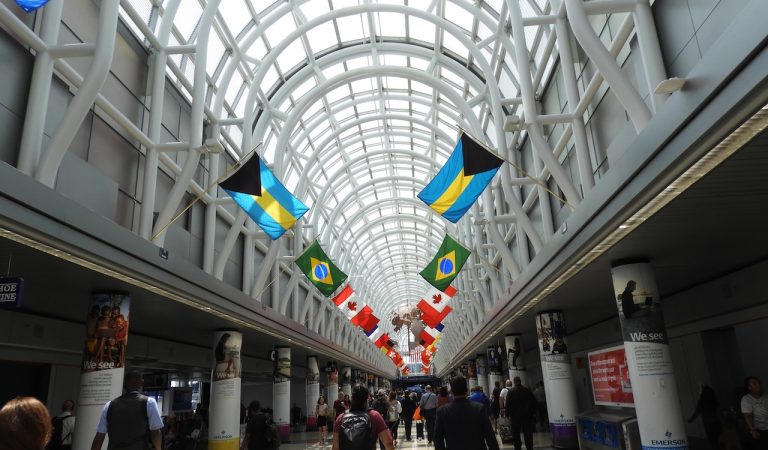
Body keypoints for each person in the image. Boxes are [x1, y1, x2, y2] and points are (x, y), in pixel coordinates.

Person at [90, 370, 164, 450]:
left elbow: (99, 436)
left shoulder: (110, 405)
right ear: (141, 383)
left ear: (124, 384)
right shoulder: (149, 402)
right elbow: (155, 432)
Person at [434, 376, 499, 450]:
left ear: (451, 392)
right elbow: (490, 436)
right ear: (467, 391)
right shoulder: (479, 408)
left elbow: (438, 439)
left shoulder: (442, 411)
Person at [332, 384, 394, 450]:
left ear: (352, 397)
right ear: (367, 397)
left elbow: (335, 447)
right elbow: (388, 443)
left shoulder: (341, 418)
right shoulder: (374, 416)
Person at [505, 376, 536, 450]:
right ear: (520, 381)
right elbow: (534, 402)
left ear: (514, 382)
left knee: (516, 433)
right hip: (527, 416)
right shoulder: (527, 390)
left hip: (515, 416)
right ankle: (529, 447)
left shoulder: (511, 392)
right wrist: (532, 412)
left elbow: (508, 404)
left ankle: (517, 447)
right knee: (527, 432)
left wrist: (507, 414)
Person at [687, 385, 721, 449]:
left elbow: (697, 411)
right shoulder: (714, 400)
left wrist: (691, 419)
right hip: (716, 422)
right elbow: (718, 411)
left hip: (708, 423)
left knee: (712, 440)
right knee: (717, 440)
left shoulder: (701, 401)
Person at [741, 376, 768, 449]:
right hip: (760, 431)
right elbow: (748, 415)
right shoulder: (746, 399)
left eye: (758, 383)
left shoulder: (765, 396)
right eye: (755, 383)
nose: (758, 385)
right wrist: (753, 430)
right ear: (749, 387)